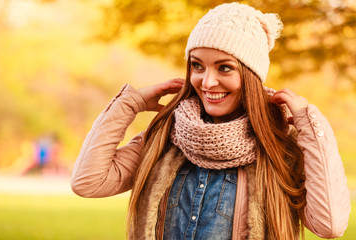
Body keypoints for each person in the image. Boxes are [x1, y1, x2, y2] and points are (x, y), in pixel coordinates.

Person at [71, 2, 350, 240]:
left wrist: (311, 125)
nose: (207, 81)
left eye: (225, 67)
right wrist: (128, 104)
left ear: (251, 76)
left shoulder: (279, 145)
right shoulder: (167, 134)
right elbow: (89, 183)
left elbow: (330, 225)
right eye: (197, 65)